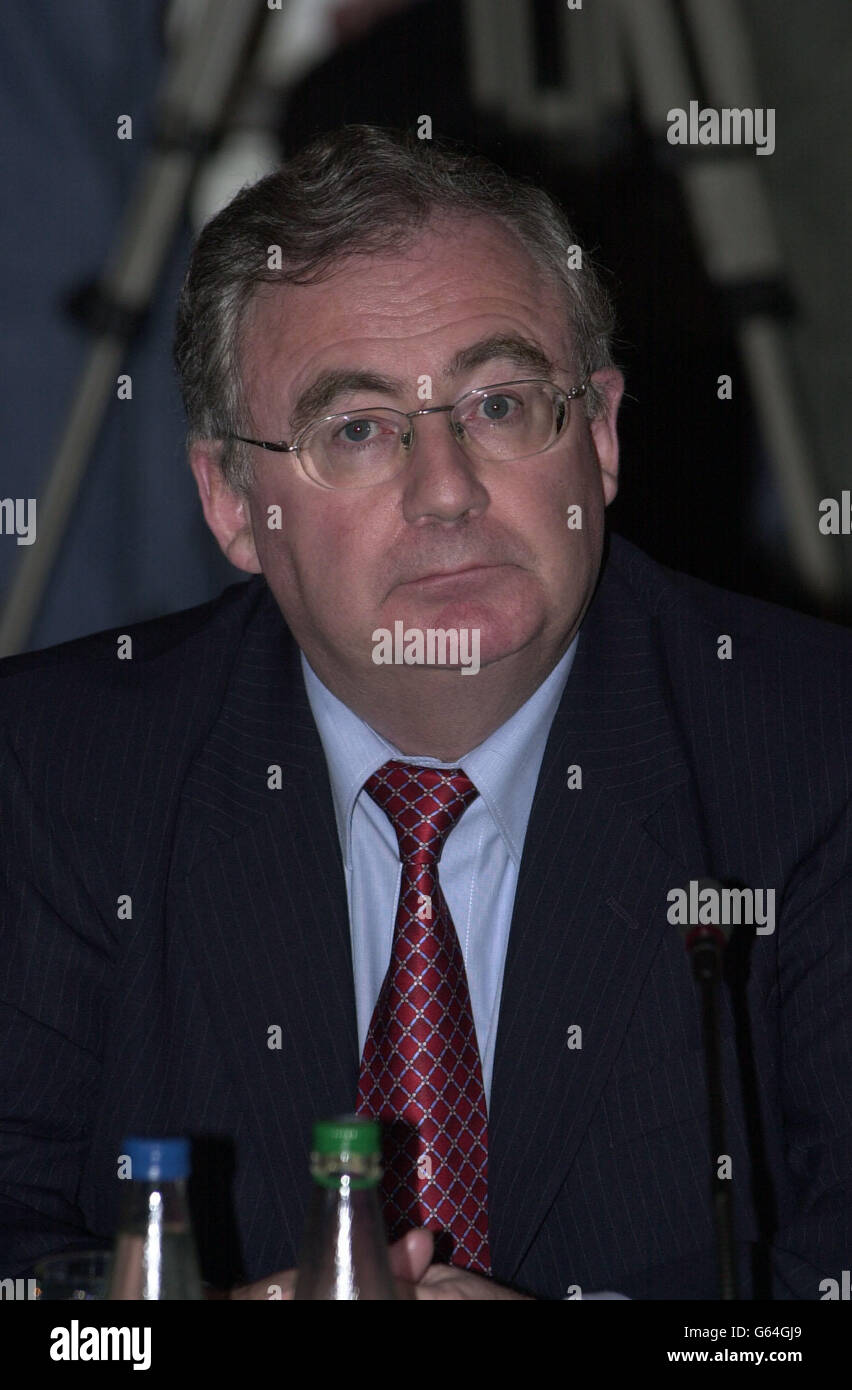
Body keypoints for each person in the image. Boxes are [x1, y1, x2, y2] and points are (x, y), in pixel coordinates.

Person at [1, 125, 850, 1301]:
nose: (447, 490)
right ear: (233, 502)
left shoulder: (816, 756)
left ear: (598, 435)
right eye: (357, 431)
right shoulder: (54, 776)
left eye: (501, 405)